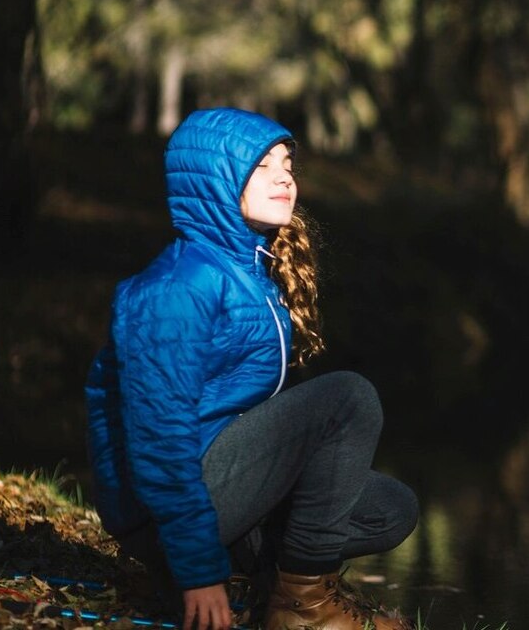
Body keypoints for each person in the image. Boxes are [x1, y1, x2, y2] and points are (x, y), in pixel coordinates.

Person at [84, 108, 418, 630]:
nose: (285, 176)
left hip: (220, 479)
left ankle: (265, 583)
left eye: (287, 164)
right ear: (216, 176)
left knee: (390, 508)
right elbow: (159, 441)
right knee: (347, 397)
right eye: (263, 166)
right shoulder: (177, 287)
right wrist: (198, 571)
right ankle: (302, 606)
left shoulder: (250, 273)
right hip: (160, 507)